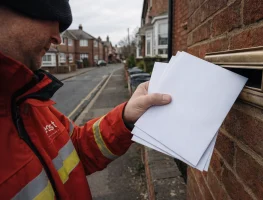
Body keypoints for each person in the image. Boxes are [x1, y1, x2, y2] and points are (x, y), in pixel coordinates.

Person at [0, 1, 172, 199]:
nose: (57, 38)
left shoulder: (27, 101)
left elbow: (78, 147)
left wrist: (125, 117)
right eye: (46, 16)